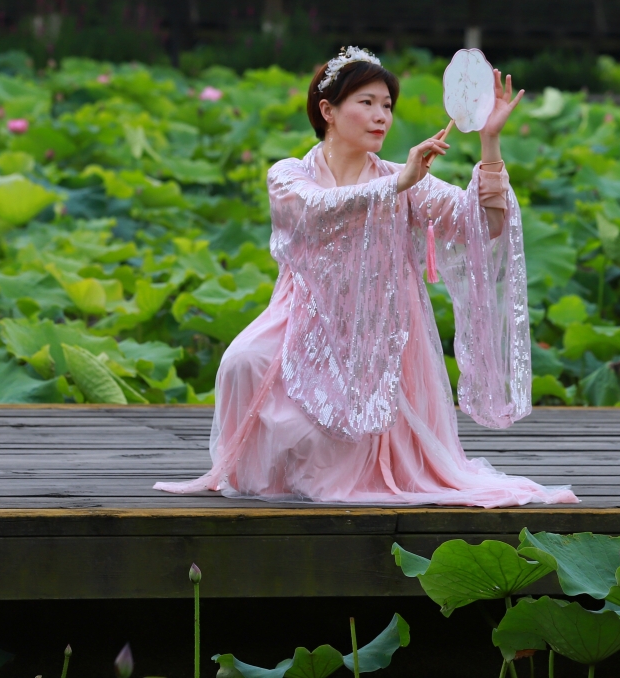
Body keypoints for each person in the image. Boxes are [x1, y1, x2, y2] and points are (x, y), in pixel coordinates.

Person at [156, 46, 576, 507]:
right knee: (241, 362)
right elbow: (316, 212)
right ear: (328, 111)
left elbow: (483, 224)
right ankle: (264, 476)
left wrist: (490, 142)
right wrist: (398, 184)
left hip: (382, 326)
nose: (381, 116)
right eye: (367, 103)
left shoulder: (406, 178)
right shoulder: (290, 175)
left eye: (388, 106)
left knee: (345, 447)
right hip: (303, 315)